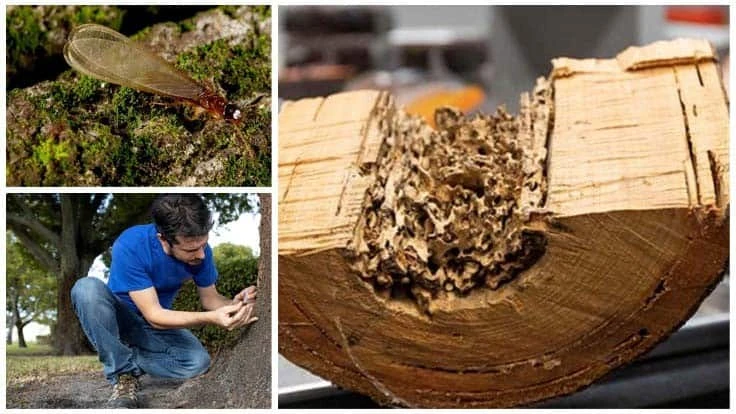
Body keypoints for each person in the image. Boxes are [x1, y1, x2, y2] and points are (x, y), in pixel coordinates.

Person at [71, 194, 258, 408]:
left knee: (197, 362)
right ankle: (122, 375)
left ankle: (127, 357)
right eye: (190, 249)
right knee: (86, 288)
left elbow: (211, 299)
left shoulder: (201, 253)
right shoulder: (131, 244)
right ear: (163, 239)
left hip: (152, 327)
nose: (201, 255)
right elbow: (155, 315)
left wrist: (236, 305)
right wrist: (211, 319)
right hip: (121, 319)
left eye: (203, 245)